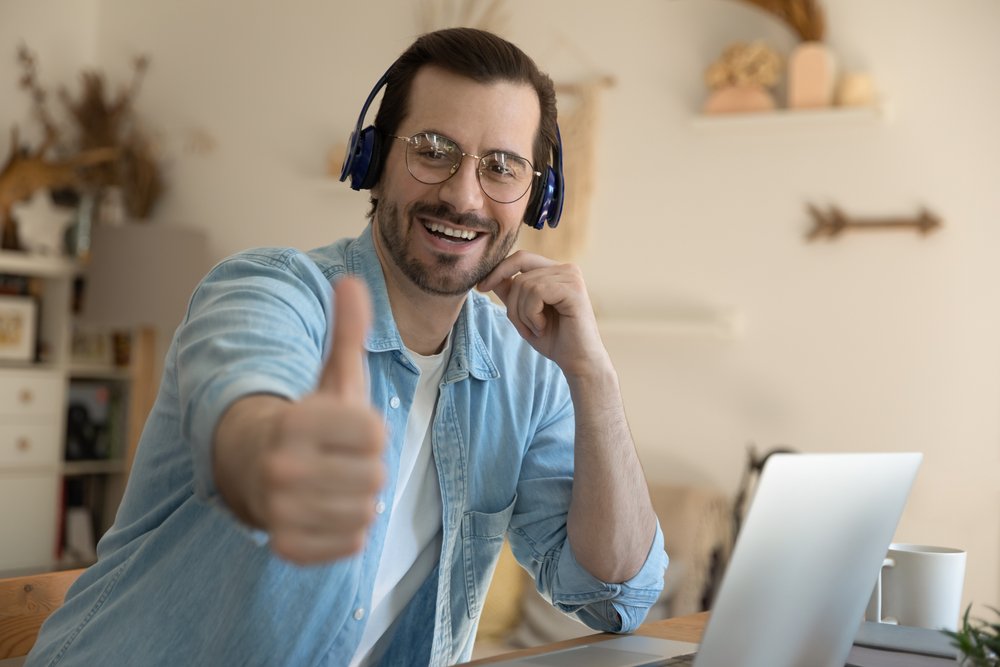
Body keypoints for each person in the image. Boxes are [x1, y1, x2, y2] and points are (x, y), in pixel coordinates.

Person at [27, 27, 667, 667]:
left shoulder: (528, 370)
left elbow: (615, 597)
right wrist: (275, 463)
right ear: (373, 160)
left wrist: (594, 377)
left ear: (537, 198)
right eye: (433, 151)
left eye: (501, 167)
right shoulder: (269, 289)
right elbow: (243, 403)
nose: (464, 196)